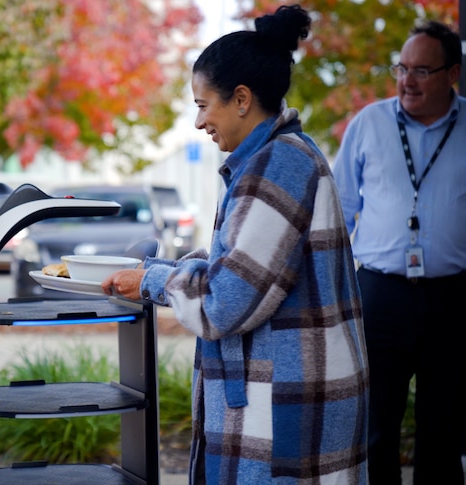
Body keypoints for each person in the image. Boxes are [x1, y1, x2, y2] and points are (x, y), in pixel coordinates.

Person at [102, 5, 368, 484]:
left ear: (241, 99)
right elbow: (255, 266)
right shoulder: (279, 157)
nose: (200, 121)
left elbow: (224, 302)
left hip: (288, 402)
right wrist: (180, 267)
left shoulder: (276, 166)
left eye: (204, 104)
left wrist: (153, 281)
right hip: (292, 395)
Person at [332, 19, 466, 484]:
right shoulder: (369, 123)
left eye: (422, 71)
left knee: (444, 430)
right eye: (401, 69)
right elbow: (341, 209)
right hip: (380, 294)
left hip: (454, 296)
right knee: (375, 428)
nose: (407, 81)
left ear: (452, 74)